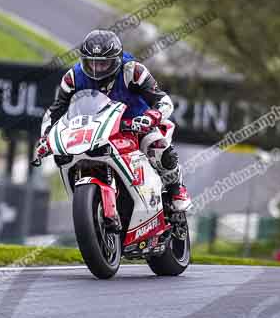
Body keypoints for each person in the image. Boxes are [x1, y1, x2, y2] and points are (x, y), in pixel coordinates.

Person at [33, 29, 191, 213]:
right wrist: (45, 138)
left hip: (134, 126)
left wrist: (151, 117)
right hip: (94, 130)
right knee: (66, 156)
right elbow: (55, 111)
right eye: (91, 63)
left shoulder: (133, 71)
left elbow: (163, 100)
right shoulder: (73, 78)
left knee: (159, 147)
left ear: (116, 60)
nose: (97, 69)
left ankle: (176, 189)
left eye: (103, 63)